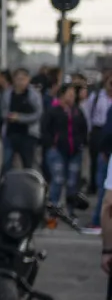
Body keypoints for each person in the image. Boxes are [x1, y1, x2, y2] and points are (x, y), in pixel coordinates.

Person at [44, 83, 88, 216]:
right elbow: (45, 129)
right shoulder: (53, 110)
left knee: (72, 182)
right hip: (57, 150)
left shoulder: (77, 111)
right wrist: (51, 144)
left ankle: (70, 209)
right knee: (57, 179)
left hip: (75, 152)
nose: (72, 97)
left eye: (73, 95)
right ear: (62, 95)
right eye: (69, 94)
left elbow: (83, 129)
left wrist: (81, 143)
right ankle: (54, 208)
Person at [0, 68, 43, 172]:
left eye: (23, 79)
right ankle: (4, 185)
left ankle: (29, 186)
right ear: (14, 79)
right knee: (7, 163)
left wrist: (20, 118)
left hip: (28, 134)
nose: (20, 82)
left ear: (28, 79)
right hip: (11, 133)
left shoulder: (34, 95)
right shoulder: (7, 94)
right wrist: (9, 116)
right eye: (18, 79)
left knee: (28, 164)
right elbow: (2, 111)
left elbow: (38, 114)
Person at [86, 71, 112, 231]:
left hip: (107, 147)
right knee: (102, 187)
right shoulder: (97, 97)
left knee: (105, 191)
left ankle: (98, 222)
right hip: (99, 137)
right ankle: (97, 221)